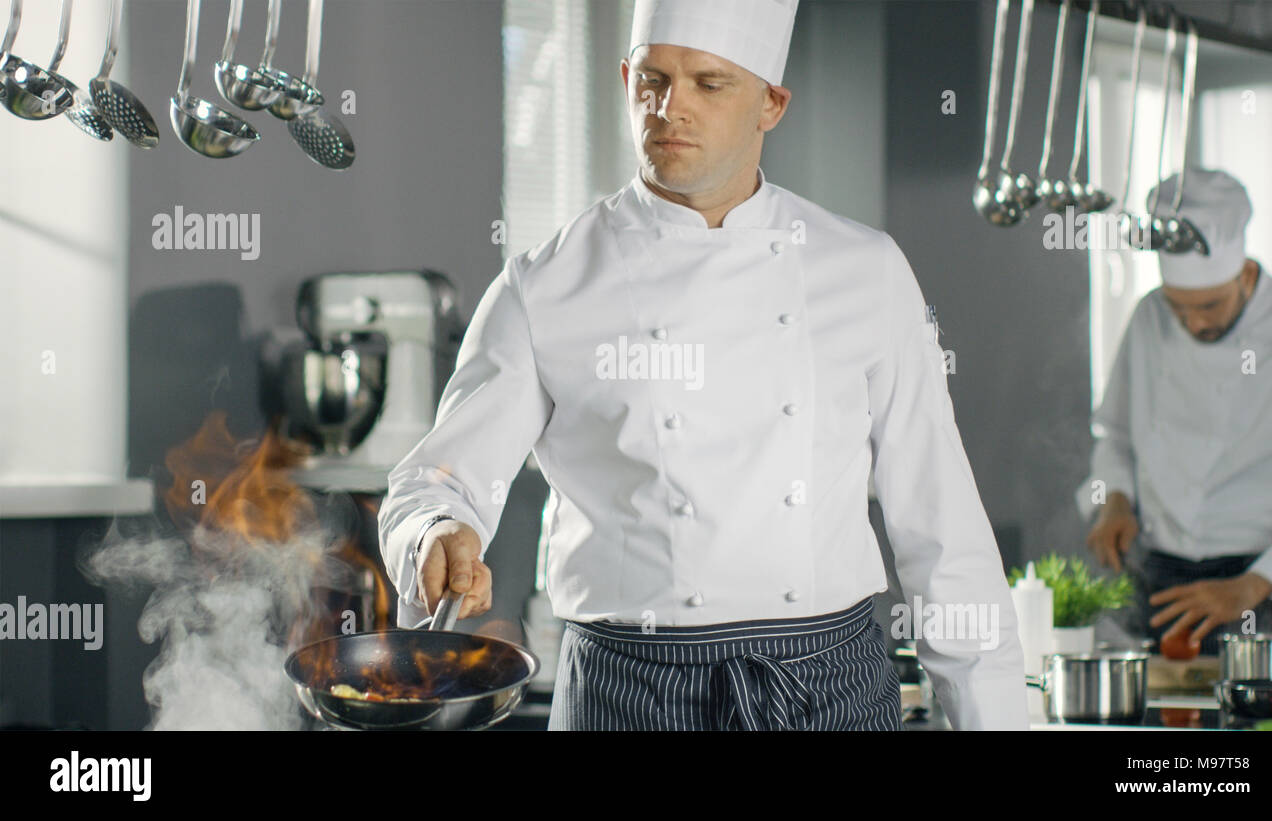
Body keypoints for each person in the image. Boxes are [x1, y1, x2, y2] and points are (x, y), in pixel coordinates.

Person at [378, 0, 1027, 730]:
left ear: (771, 105)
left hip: (826, 689)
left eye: (708, 83)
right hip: (627, 694)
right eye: (651, 78)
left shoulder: (865, 270)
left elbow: (942, 527)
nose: (669, 107)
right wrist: (435, 530)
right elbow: (434, 483)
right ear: (625, 77)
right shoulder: (544, 285)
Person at [1079, 168, 1272, 653]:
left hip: (1260, 584)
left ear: (1245, 273)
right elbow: (1113, 430)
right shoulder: (1148, 317)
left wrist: (1254, 583)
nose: (1193, 323)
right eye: (1180, 309)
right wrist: (1114, 496)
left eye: (1209, 306)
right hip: (1159, 573)